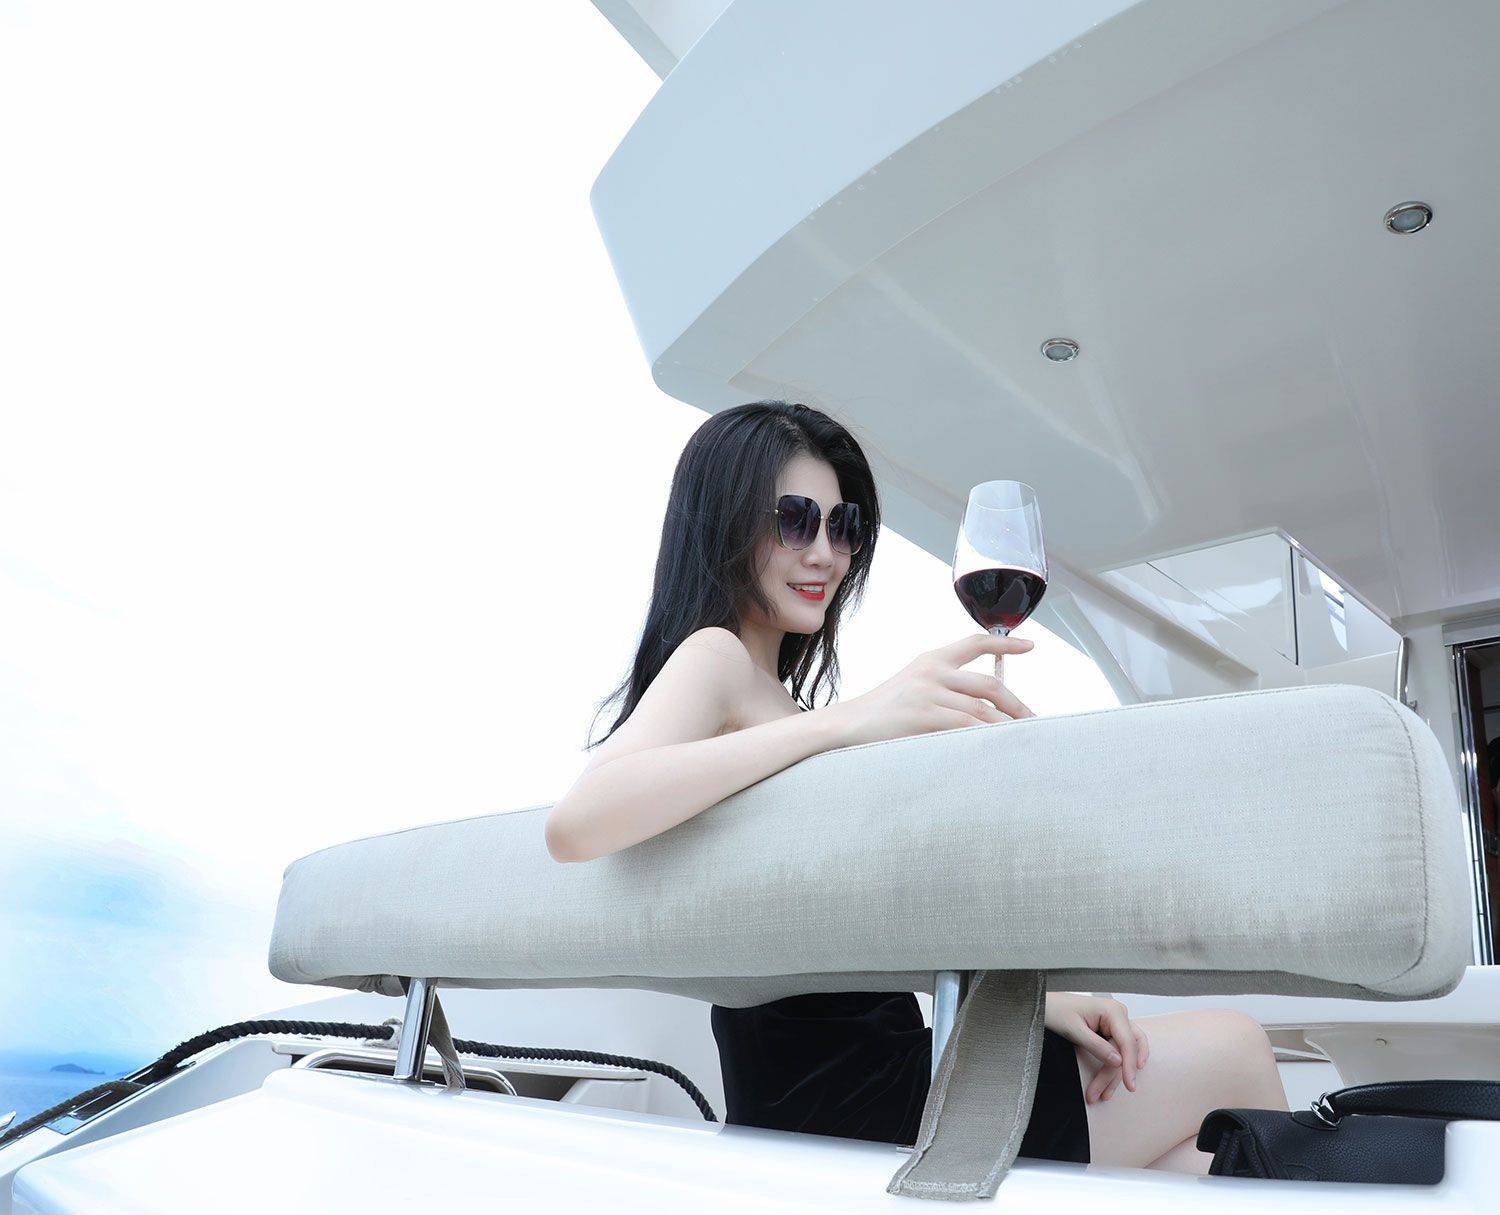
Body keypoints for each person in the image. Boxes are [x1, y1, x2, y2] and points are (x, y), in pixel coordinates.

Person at [545, 400, 1288, 1172]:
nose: (827, 553)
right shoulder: (718, 658)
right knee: (1234, 1048)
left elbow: (840, 940)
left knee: (1198, 1168)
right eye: (795, 520)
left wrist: (1043, 1004)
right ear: (725, 523)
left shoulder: (777, 708)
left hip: (875, 1083)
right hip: (854, 1104)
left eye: (844, 526)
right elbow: (580, 821)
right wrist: (851, 721)